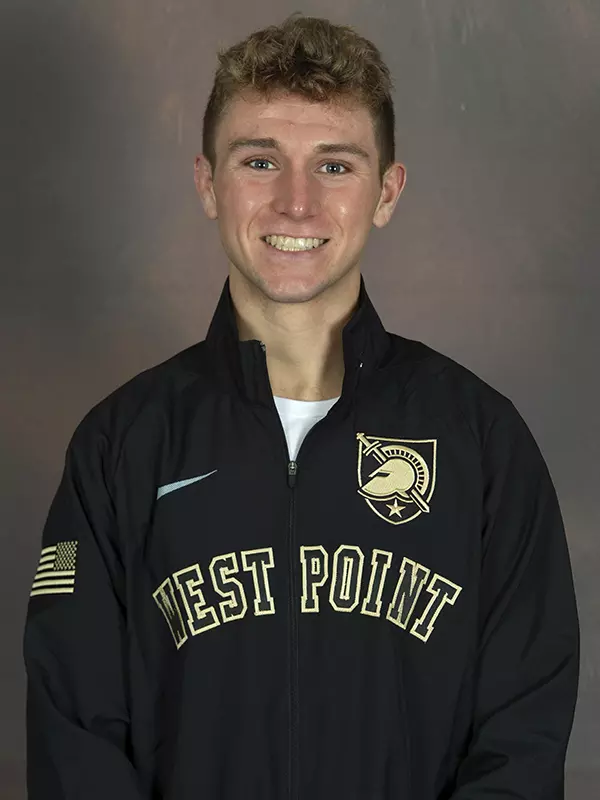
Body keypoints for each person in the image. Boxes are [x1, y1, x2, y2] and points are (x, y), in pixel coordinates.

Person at [23, 12, 579, 800]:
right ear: (207, 184)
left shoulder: (482, 443)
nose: (296, 203)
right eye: (260, 161)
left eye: (335, 166)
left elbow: (522, 738)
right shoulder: (122, 446)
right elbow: (75, 740)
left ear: (387, 192)